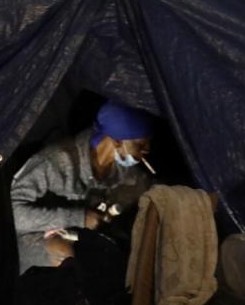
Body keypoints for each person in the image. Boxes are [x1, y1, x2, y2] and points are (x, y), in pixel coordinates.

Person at [11, 100, 155, 274]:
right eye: (140, 145)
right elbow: (15, 215)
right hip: (35, 235)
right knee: (68, 258)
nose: (147, 150)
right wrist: (79, 217)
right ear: (117, 141)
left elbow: (144, 187)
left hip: (81, 236)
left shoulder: (123, 170)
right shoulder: (56, 162)